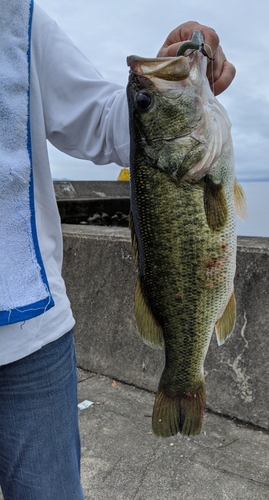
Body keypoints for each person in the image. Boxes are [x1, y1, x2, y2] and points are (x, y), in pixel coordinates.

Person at [0, 1, 235, 498]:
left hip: (28, 335)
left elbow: (104, 120)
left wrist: (172, 71)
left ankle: (182, 377)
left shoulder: (17, 17)